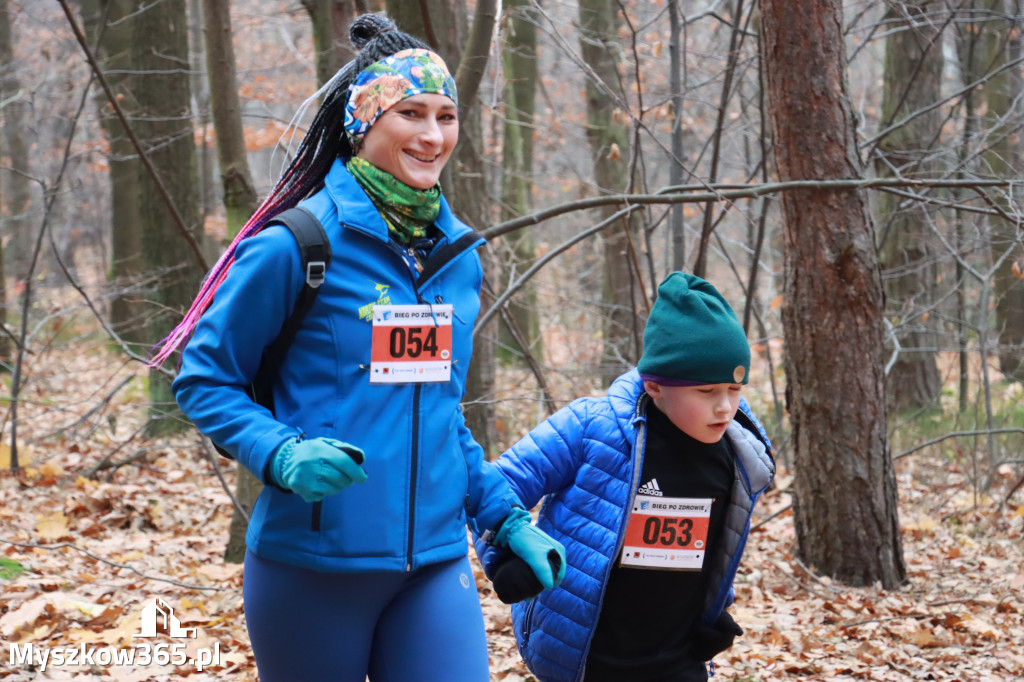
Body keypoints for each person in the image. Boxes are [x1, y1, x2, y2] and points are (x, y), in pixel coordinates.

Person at [152, 14, 565, 682]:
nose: (433, 136)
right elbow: (204, 380)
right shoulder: (298, 247)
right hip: (312, 570)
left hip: (433, 565)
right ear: (364, 121)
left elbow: (438, 412)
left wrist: (504, 515)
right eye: (410, 113)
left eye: (446, 116)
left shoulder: (455, 260)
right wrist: (280, 454)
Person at [475, 272, 775, 682]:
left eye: (734, 389)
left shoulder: (738, 457)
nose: (725, 407)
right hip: (583, 654)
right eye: (706, 392)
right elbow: (494, 485)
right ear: (655, 386)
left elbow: (710, 547)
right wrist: (506, 556)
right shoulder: (592, 428)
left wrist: (715, 610)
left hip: (678, 657)